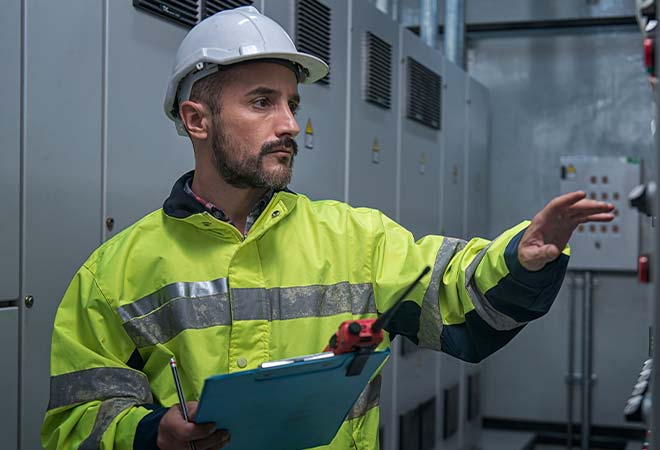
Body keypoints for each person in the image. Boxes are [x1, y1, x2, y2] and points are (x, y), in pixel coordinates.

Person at [41, 6, 614, 450]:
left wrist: (521, 257)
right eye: (262, 102)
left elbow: (451, 289)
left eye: (291, 103)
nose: (290, 123)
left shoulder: (353, 238)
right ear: (197, 120)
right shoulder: (115, 271)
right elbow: (77, 418)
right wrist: (153, 434)